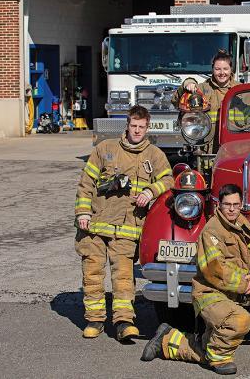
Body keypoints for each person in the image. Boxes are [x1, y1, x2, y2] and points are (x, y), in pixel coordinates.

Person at [141, 184, 250, 375]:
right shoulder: (212, 231)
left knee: (208, 341)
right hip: (210, 294)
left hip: (230, 294)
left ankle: (167, 340)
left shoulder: (241, 223)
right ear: (219, 204)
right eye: (227, 205)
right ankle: (218, 358)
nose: (232, 209)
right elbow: (215, 270)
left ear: (241, 205)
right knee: (239, 320)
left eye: (236, 204)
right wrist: (245, 283)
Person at [75, 105, 173, 340]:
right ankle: (95, 320)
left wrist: (151, 192)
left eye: (141, 127)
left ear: (147, 128)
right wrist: (83, 213)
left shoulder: (154, 155)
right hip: (95, 225)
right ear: (126, 126)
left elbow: (168, 179)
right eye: (133, 126)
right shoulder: (105, 149)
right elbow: (86, 183)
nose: (137, 130)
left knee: (123, 277)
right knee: (93, 273)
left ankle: (123, 322)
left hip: (127, 228)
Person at [172, 51, 250, 153]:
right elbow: (176, 101)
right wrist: (187, 83)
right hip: (207, 150)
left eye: (225, 69)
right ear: (212, 69)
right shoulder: (202, 89)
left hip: (237, 149)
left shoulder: (242, 91)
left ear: (231, 69)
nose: (221, 73)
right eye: (217, 69)